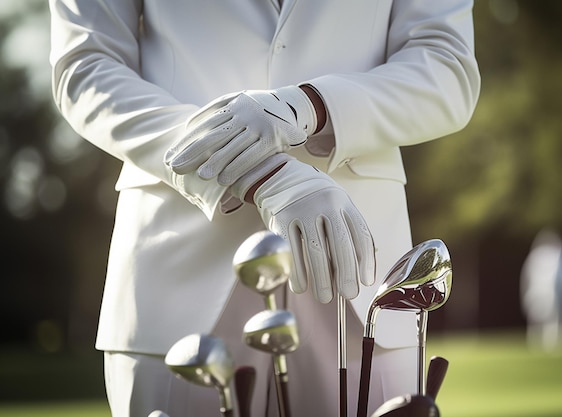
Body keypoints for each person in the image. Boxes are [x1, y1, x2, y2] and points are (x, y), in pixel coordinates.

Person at [49, 1, 480, 416]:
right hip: (179, 268)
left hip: (360, 278)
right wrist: (258, 172)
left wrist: (305, 106)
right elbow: (86, 66)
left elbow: (447, 66)